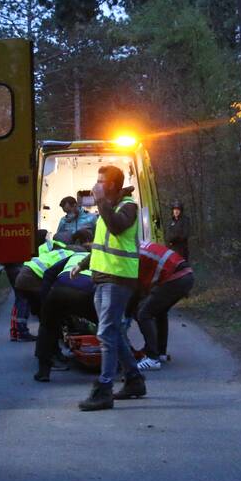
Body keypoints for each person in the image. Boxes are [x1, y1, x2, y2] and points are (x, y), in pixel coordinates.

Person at [70, 165, 147, 411]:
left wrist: (101, 201)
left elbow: (116, 226)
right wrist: (83, 264)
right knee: (114, 332)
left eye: (101, 181)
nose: (97, 184)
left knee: (105, 333)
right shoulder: (107, 207)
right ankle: (134, 380)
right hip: (102, 277)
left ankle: (104, 389)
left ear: (112, 185)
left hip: (119, 278)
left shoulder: (128, 207)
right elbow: (101, 245)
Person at [33, 247, 95, 382]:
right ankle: (121, 366)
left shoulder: (74, 256)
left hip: (59, 289)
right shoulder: (99, 255)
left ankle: (43, 371)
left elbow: (48, 274)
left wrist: (45, 304)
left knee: (47, 327)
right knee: (107, 326)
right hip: (86, 289)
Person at [130, 241, 194, 371]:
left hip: (176, 278)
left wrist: (128, 309)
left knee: (144, 313)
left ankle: (152, 358)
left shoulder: (132, 255)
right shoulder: (138, 246)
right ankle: (160, 353)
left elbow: (139, 288)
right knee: (159, 312)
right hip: (186, 275)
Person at [8, 230, 73, 341]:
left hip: (24, 272)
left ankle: (17, 331)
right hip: (31, 277)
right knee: (43, 305)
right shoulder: (67, 254)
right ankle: (25, 333)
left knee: (22, 301)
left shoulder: (50, 248)